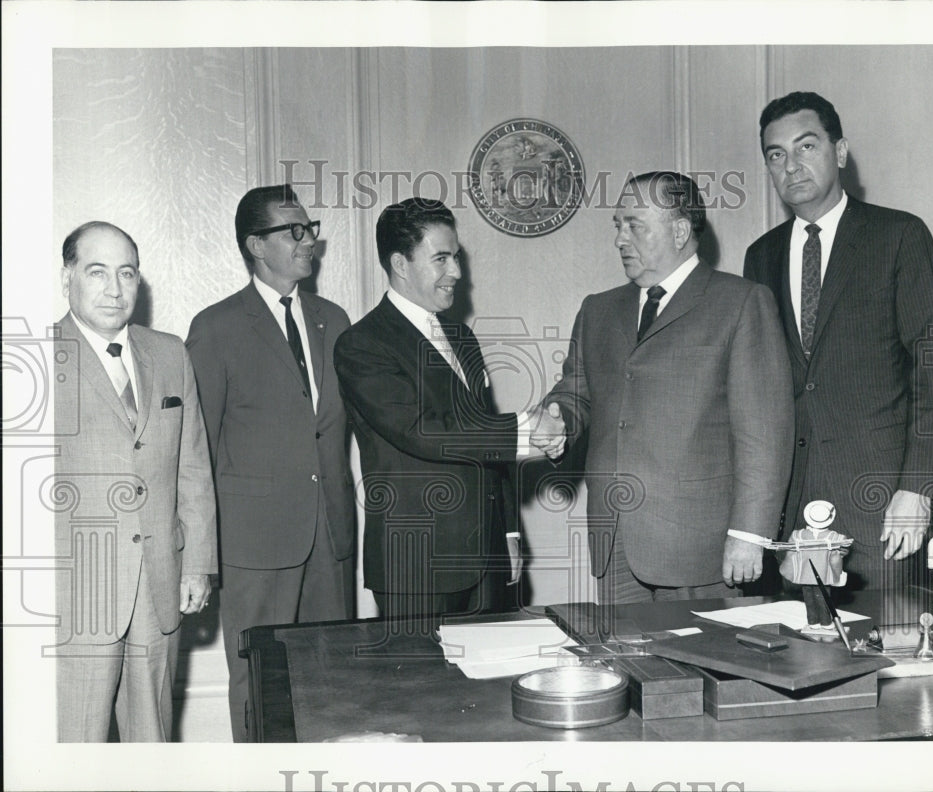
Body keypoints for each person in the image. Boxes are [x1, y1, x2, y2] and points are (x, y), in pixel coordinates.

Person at [542, 172, 793, 605]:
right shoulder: (597, 310)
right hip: (616, 542)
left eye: (634, 225)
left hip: (706, 549)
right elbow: (576, 390)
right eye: (618, 224)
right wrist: (557, 417)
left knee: (713, 669)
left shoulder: (741, 302)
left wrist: (750, 533)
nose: (620, 238)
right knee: (630, 668)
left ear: (679, 231)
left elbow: (765, 433)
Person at [743, 91, 933, 590]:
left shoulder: (899, 235)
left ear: (839, 153)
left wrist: (917, 488)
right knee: (799, 649)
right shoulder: (761, 256)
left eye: (806, 147)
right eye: (776, 155)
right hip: (794, 506)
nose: (791, 165)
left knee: (887, 653)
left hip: (884, 504)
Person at [334, 198, 561, 623]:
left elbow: (489, 448)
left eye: (455, 257)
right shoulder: (362, 344)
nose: (456, 271)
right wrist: (527, 429)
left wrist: (509, 532)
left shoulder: (462, 337)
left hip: (489, 559)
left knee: (494, 685)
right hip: (418, 566)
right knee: (424, 689)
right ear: (401, 264)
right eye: (441, 258)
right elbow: (424, 431)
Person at [185, 185, 356, 741]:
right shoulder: (216, 328)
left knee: (333, 679)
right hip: (253, 545)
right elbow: (196, 450)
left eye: (311, 228)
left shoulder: (335, 319)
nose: (310, 241)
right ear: (256, 245)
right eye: (295, 231)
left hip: (329, 535)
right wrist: (200, 553)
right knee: (260, 681)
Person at [53, 221, 216, 741]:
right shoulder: (34, 358)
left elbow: (193, 467)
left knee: (153, 744)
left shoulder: (170, 353)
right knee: (76, 743)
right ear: (67, 278)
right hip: (73, 594)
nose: (114, 289)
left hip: (159, 583)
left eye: (126, 273)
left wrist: (197, 565)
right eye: (97, 272)